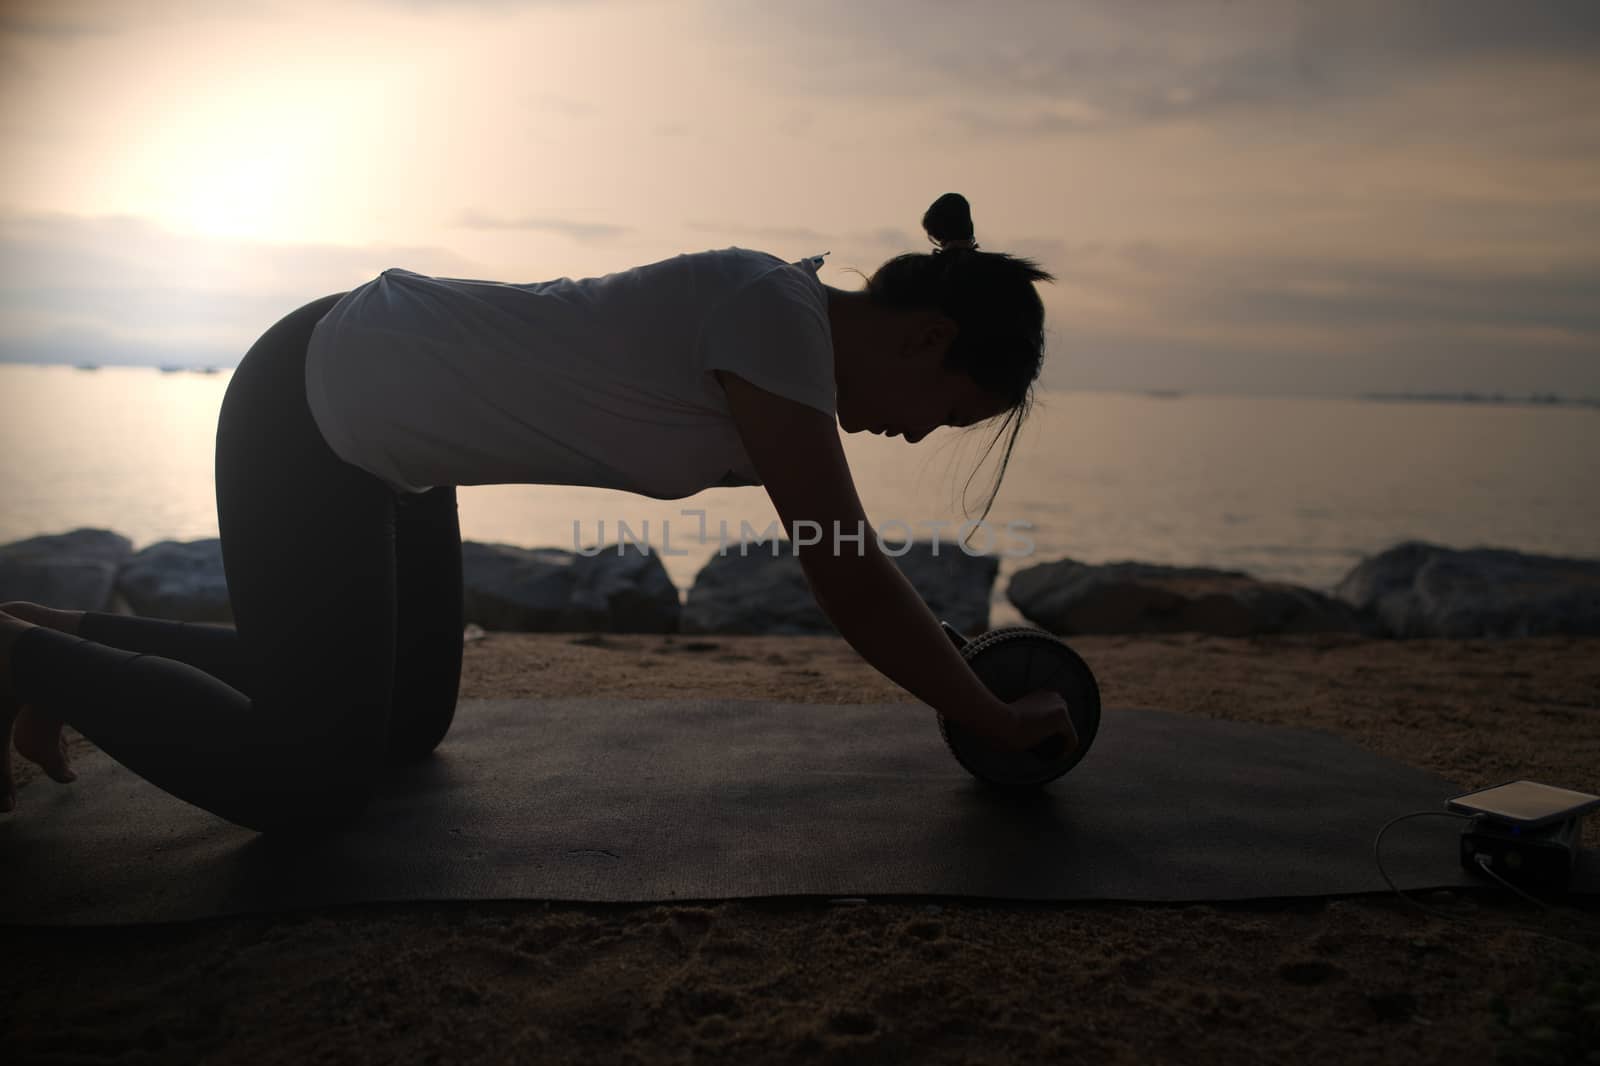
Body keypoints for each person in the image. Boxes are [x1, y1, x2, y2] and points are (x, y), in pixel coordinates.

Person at [0, 192, 1074, 831]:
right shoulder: (773, 316)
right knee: (310, 780)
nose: (927, 435)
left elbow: (846, 556)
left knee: (405, 725)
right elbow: (849, 577)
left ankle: (62, 638)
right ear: (928, 339)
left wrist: (961, 667)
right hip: (315, 399)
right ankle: (19, 654)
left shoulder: (786, 373)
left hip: (399, 451)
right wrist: (986, 711)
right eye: (950, 412)